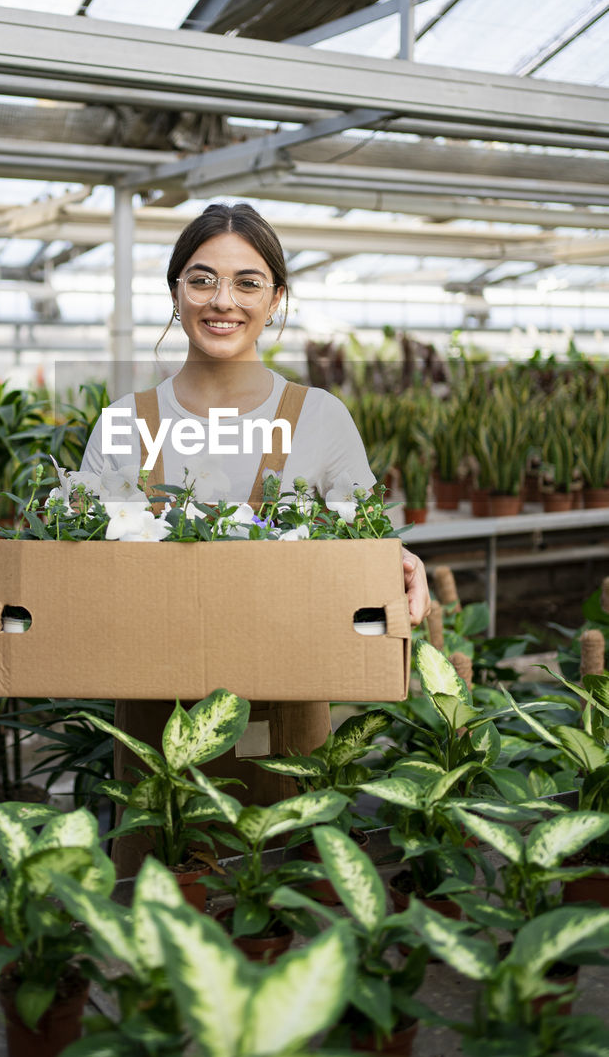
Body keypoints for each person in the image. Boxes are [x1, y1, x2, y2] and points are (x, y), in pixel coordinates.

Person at [79, 202, 431, 875]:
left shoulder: (319, 419)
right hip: (157, 736)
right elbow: (80, 564)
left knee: (281, 907)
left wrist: (400, 559)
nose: (223, 301)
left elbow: (363, 537)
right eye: (201, 279)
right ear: (175, 293)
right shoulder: (123, 424)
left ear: (276, 299)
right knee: (157, 928)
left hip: (286, 723)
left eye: (247, 283)